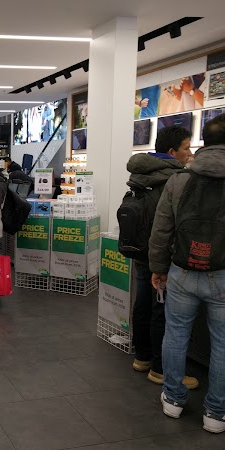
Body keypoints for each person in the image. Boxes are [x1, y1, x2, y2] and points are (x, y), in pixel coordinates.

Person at [149, 113, 225, 433]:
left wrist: (157, 268)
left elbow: (161, 230)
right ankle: (216, 413)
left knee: (176, 334)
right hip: (222, 274)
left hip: (181, 270)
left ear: (204, 141)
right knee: (222, 343)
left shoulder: (179, 180)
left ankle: (173, 399)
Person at [126, 126, 198, 389]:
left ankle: (142, 357)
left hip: (139, 248)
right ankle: (160, 368)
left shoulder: (141, 172)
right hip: (162, 253)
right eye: (186, 148)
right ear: (172, 151)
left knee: (143, 302)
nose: (190, 153)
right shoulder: (175, 179)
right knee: (162, 310)